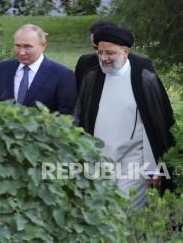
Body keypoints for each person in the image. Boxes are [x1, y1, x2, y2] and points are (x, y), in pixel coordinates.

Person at [74, 26, 175, 208]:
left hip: (133, 159)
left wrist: (155, 167)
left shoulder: (144, 78)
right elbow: (81, 117)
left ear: (125, 52)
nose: (104, 58)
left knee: (123, 210)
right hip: (99, 158)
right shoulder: (91, 77)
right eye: (100, 52)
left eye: (110, 53)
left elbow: (156, 126)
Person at [0, 24, 76, 115]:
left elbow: (66, 114)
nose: (21, 52)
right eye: (18, 46)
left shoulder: (62, 75)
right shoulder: (5, 68)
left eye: (27, 46)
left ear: (43, 46)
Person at [75, 20, 117, 92]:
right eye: (95, 48)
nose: (100, 54)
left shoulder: (135, 66)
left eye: (106, 48)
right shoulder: (84, 62)